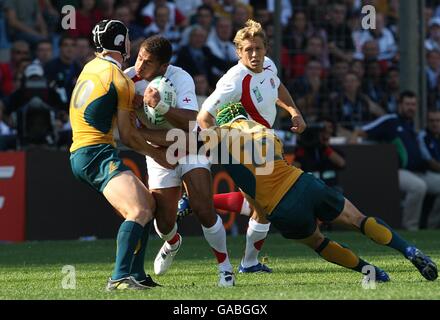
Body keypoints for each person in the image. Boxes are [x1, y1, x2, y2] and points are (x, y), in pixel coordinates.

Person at [195, 102, 437, 282]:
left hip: (281, 208)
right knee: (359, 220)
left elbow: (188, 142)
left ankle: (372, 272)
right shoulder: (265, 131)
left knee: (319, 242)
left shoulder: (218, 135)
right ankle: (408, 249)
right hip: (304, 184)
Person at [196, 19, 306, 274]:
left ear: (266, 48)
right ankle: (249, 262)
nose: (254, 54)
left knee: (261, 206)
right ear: (238, 52)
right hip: (243, 146)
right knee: (266, 204)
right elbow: (204, 116)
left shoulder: (268, 66)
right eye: (248, 50)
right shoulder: (233, 80)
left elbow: (277, 86)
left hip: (263, 140)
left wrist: (293, 111)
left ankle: (198, 203)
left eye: (258, 48)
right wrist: (221, 147)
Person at [125, 35, 235, 287]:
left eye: (148, 62)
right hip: (157, 153)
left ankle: (225, 268)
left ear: (163, 67)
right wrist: (144, 129)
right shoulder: (128, 79)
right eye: (140, 57)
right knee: (164, 223)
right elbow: (127, 131)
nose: (140, 66)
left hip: (189, 146)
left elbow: (189, 124)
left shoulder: (180, 77)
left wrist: (159, 106)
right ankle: (173, 242)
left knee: (203, 207)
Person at [69, 19, 161, 290]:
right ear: (121, 43)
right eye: (128, 38)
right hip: (95, 152)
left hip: (83, 150)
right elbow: (129, 136)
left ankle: (136, 274)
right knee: (139, 209)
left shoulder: (91, 66)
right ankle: (120, 277)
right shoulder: (119, 78)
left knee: (147, 204)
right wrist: (159, 155)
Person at [351, 91, 440, 231]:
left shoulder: (411, 125)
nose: (411, 107)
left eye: (414, 104)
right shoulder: (390, 120)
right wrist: (354, 145)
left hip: (419, 171)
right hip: (398, 171)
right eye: (408, 104)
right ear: (400, 105)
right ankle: (411, 228)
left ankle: (432, 227)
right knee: (418, 187)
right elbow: (360, 131)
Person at [418, 109, 440, 228]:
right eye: (432, 121)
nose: (435, 123)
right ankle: (432, 225)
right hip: (424, 173)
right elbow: (429, 161)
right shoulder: (423, 136)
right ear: (426, 122)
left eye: (437, 120)